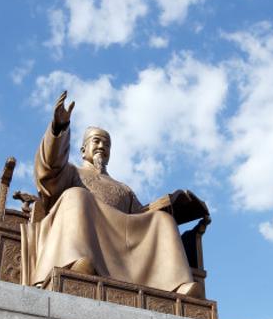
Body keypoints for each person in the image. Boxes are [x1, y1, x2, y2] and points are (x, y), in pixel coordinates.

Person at [20, 91, 204, 297]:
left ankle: (177, 285)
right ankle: (75, 261)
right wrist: (59, 128)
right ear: (83, 150)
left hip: (121, 241)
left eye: (107, 145)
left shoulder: (123, 189)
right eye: (96, 141)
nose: (102, 147)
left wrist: (168, 205)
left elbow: (139, 218)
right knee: (77, 196)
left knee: (163, 220)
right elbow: (49, 170)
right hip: (89, 236)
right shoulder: (72, 172)